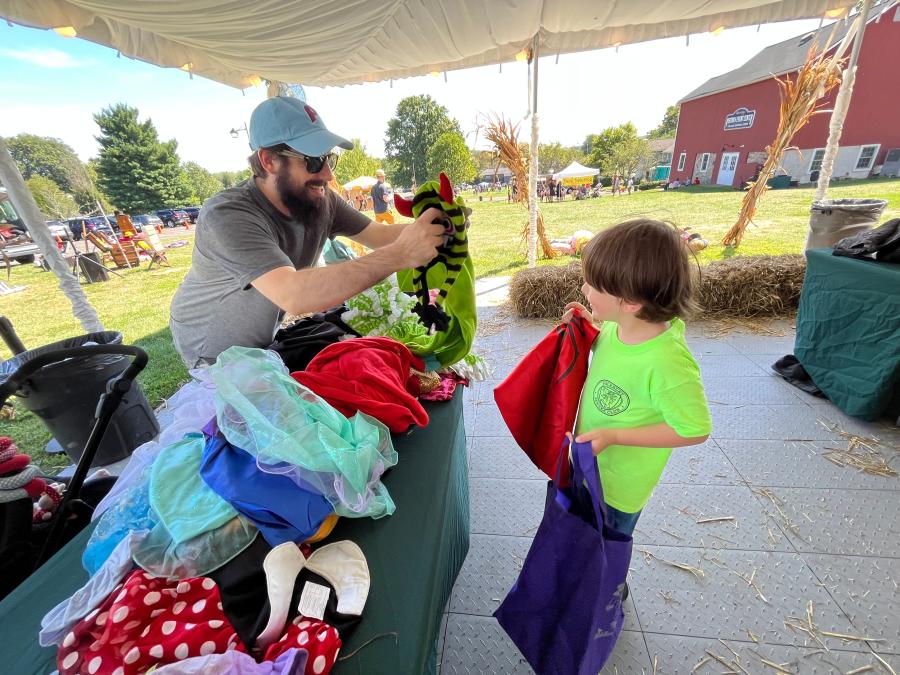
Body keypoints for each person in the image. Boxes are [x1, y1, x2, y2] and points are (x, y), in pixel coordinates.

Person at [169, 96, 445, 368]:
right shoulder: (227, 215)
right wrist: (399, 255)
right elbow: (295, 295)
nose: (327, 174)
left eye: (329, 158)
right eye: (313, 161)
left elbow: (378, 235)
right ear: (268, 160)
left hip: (261, 341)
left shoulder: (320, 199)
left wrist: (437, 227)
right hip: (212, 350)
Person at [560, 219, 711, 541]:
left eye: (591, 285)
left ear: (629, 302)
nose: (583, 290)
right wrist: (588, 324)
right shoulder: (617, 328)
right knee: (581, 537)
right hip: (592, 466)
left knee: (606, 549)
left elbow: (694, 430)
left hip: (621, 488)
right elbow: (611, 352)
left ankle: (608, 589)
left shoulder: (668, 363)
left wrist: (615, 435)